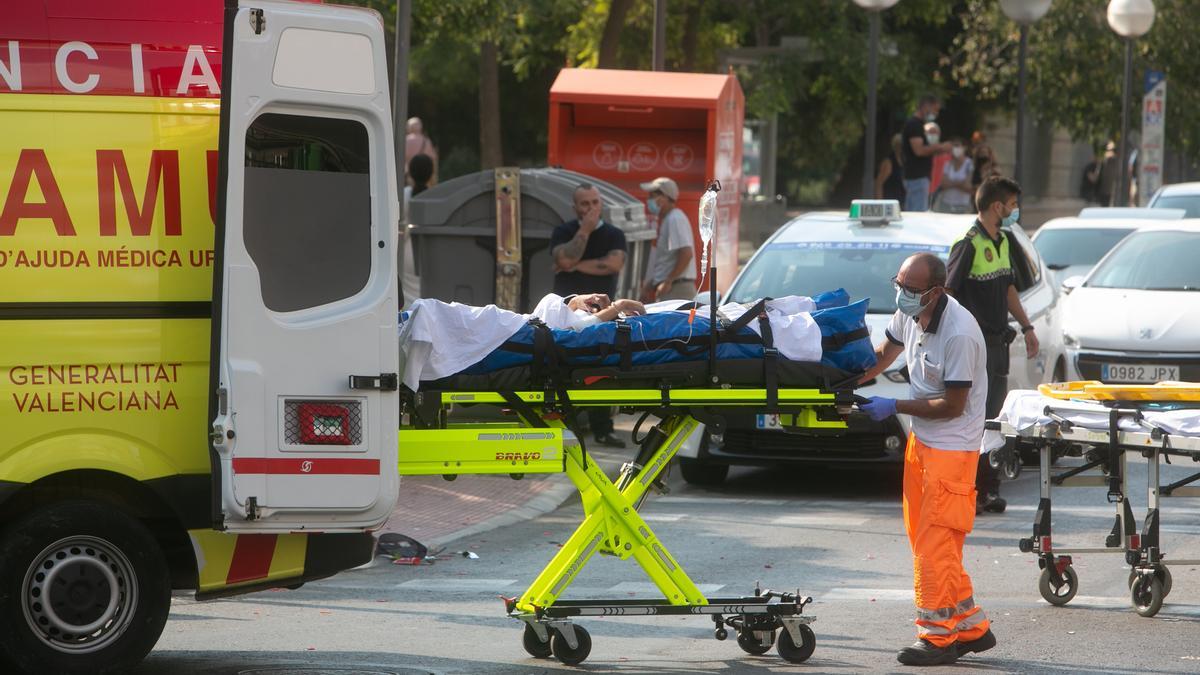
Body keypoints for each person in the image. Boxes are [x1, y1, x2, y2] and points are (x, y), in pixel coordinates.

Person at [857, 253, 996, 667]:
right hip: (924, 445)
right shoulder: (910, 313)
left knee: (934, 549)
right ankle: (971, 628)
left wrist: (894, 404)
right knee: (928, 542)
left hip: (953, 449)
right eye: (898, 284)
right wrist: (848, 377)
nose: (901, 295)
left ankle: (937, 640)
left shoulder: (960, 334)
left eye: (911, 290)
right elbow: (885, 351)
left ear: (937, 292)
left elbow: (953, 405)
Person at [946, 176, 1040, 515]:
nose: (1015, 211)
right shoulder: (968, 244)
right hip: (974, 346)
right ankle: (968, 490)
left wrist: (1027, 326)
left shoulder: (1001, 241)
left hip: (997, 345)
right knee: (973, 418)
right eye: (1013, 205)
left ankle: (988, 488)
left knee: (993, 419)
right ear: (997, 206)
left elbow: (1008, 289)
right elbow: (948, 294)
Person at [551, 183, 630, 448]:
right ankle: (569, 426)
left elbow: (613, 264)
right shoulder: (563, 232)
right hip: (568, 315)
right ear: (575, 208)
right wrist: (584, 231)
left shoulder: (614, 234)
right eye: (585, 204)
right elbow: (563, 260)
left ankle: (602, 428)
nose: (591, 209)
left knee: (601, 372)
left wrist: (575, 264)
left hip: (602, 314)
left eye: (595, 203)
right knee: (563, 370)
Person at [640, 177, 696, 302]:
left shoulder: (675, 219)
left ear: (664, 198)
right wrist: (651, 284)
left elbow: (686, 253)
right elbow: (667, 261)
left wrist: (668, 281)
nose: (649, 200)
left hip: (676, 290)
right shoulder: (669, 219)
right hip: (671, 288)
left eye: (652, 196)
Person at [901, 95, 952, 212]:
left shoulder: (919, 125)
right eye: (935, 109)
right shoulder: (914, 124)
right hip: (917, 177)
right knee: (917, 215)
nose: (936, 113)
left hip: (917, 177)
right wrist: (940, 147)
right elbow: (919, 150)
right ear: (926, 106)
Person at [399, 154, 435, 308]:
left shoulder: (404, 194)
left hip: (407, 248)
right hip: (428, 248)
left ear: (411, 172)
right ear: (431, 173)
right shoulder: (436, 196)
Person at [935, 138, 975, 214]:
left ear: (964, 147)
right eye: (953, 146)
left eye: (957, 145)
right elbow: (943, 184)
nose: (955, 148)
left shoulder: (969, 164)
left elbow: (968, 186)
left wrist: (951, 183)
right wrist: (960, 183)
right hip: (945, 205)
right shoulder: (948, 164)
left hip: (962, 206)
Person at [405, 117, 438, 186]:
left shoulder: (406, 140)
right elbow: (433, 159)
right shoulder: (426, 141)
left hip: (410, 174)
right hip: (424, 176)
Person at [875, 134, 906, 202]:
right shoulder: (888, 162)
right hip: (889, 202)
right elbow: (879, 183)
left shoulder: (903, 161)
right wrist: (879, 203)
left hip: (901, 202)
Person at [1098, 140, 1119, 206]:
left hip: (1113, 192)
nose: (1109, 152)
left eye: (1111, 150)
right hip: (1103, 191)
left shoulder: (1116, 161)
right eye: (1107, 150)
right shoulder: (1104, 162)